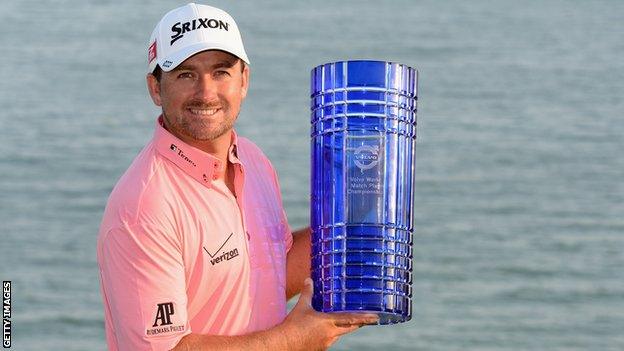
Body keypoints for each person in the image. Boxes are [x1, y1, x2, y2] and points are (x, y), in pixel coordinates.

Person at [96, 3, 378, 350]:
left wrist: (353, 221)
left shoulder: (253, 160)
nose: (205, 92)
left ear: (243, 80)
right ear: (156, 88)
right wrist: (295, 339)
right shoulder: (144, 207)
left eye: (221, 71)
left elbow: (268, 272)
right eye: (186, 74)